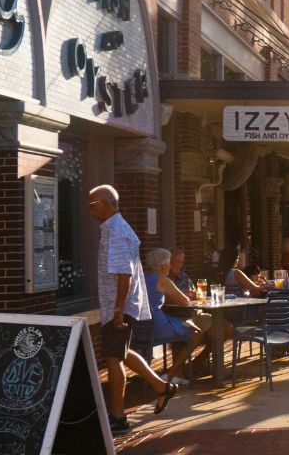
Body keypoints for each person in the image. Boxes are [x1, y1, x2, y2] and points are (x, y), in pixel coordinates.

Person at [89, 185, 175, 434]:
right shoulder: (113, 228)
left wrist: (117, 310)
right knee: (122, 353)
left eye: (93, 205)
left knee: (113, 359)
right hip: (117, 304)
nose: (90, 210)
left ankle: (118, 417)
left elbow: (124, 275)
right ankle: (161, 387)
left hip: (119, 305)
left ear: (105, 203)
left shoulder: (116, 231)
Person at [144, 248, 211, 385]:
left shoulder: (142, 279)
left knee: (184, 326)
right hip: (159, 325)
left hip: (143, 326)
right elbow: (184, 301)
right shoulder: (163, 280)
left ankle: (177, 373)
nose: (170, 265)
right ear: (163, 266)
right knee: (196, 334)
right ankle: (172, 374)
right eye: (169, 262)